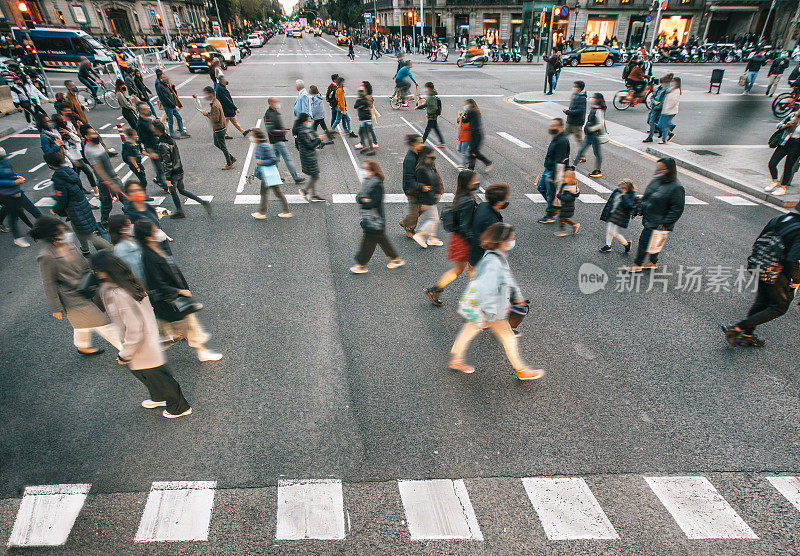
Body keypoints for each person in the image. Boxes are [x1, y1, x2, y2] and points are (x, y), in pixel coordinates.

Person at [91, 250, 192, 418]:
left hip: (140, 344)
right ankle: (160, 397)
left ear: (102, 271)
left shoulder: (118, 293)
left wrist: (126, 353)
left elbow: (134, 326)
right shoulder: (127, 282)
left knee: (157, 377)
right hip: (147, 339)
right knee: (149, 373)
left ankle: (180, 407)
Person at [449, 222, 544, 381]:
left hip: (486, 308)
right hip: (491, 309)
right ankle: (521, 370)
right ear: (502, 241)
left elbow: (508, 278)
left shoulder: (497, 256)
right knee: (508, 337)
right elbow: (487, 290)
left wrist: (517, 296)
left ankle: (456, 358)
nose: (513, 241)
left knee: (470, 328)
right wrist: (491, 314)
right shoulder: (493, 262)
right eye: (511, 238)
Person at [134, 218, 222, 362]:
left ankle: (147, 348)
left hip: (168, 299)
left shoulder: (154, 248)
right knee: (189, 325)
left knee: (172, 329)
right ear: (148, 236)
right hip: (169, 300)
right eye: (154, 230)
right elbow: (158, 283)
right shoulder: (149, 256)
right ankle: (202, 351)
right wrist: (180, 292)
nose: (158, 232)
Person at [32, 216, 121, 355]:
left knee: (84, 321)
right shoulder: (46, 256)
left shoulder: (69, 245)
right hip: (71, 296)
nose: (65, 233)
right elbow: (48, 283)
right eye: (61, 231)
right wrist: (56, 307)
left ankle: (82, 345)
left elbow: (84, 263)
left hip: (86, 288)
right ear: (52, 235)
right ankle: (128, 351)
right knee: (101, 322)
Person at [721, 208, 800, 347]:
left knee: (762, 301)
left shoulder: (778, 219)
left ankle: (747, 335)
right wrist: (796, 280)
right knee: (779, 308)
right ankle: (736, 329)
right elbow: (792, 259)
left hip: (758, 263)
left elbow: (759, 240)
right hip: (775, 271)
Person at [426, 170, 480, 306]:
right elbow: (465, 225)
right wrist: (475, 243)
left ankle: (435, 290)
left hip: (458, 239)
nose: (477, 182)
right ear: (468, 183)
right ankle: (473, 304)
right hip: (465, 241)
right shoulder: (467, 201)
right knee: (474, 272)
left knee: (459, 270)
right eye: (474, 180)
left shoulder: (460, 196)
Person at [45, 150, 111, 256]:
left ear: (50, 165)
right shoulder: (70, 171)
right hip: (81, 203)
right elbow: (79, 186)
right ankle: (85, 248)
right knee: (78, 228)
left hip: (74, 209)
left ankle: (110, 248)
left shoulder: (58, 179)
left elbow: (62, 198)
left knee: (88, 234)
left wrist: (55, 209)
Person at [626, 158, 685, 273]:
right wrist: (636, 210)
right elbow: (647, 198)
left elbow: (677, 209)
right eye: (657, 168)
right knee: (655, 242)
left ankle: (637, 264)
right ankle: (653, 262)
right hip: (650, 217)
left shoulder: (677, 188)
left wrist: (665, 224)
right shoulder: (656, 180)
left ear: (669, 170)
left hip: (660, 222)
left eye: (661, 169)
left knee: (644, 241)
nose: (658, 171)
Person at [350, 160, 405, 274]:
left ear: (372, 171)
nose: (363, 171)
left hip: (375, 219)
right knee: (381, 239)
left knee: (368, 242)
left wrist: (364, 201)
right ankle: (396, 259)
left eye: (365, 169)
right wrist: (363, 200)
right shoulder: (367, 181)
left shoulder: (377, 184)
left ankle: (361, 264)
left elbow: (374, 202)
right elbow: (359, 197)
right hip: (371, 218)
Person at [153, 121, 212, 218]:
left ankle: (180, 211)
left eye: (153, 128)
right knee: (182, 190)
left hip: (172, 174)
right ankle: (203, 202)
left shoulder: (162, 145)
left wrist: (167, 179)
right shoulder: (170, 139)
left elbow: (167, 163)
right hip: (179, 169)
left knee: (173, 192)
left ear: (157, 130)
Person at [83, 125, 121, 228]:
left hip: (112, 177)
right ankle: (104, 223)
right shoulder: (89, 150)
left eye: (95, 133)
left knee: (112, 202)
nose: (95, 135)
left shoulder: (97, 144)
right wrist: (109, 181)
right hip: (106, 181)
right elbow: (98, 169)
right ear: (86, 136)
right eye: (92, 134)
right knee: (107, 204)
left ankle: (105, 222)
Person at [250, 129, 291, 219]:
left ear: (256, 136)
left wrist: (261, 162)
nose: (251, 137)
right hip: (266, 173)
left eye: (252, 135)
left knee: (269, 193)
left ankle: (262, 213)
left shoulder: (264, 146)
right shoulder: (261, 144)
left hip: (268, 174)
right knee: (273, 192)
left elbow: (273, 159)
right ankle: (285, 211)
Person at [469, 182, 510, 267]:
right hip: (481, 260)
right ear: (499, 202)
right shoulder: (491, 222)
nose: (508, 200)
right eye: (506, 198)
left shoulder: (483, 206)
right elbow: (491, 245)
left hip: (475, 254)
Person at [537, 118, 570, 224]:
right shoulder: (556, 137)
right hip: (548, 169)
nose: (551, 128)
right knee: (541, 188)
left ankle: (550, 214)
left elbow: (560, 161)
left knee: (551, 194)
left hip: (553, 172)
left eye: (553, 126)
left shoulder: (562, 141)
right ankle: (555, 207)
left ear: (560, 127)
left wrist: (554, 176)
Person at [264, 96, 304, 183]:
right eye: (275, 102)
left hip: (277, 140)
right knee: (288, 159)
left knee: (276, 160)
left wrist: (282, 130)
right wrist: (282, 132)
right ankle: (295, 177)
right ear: (271, 103)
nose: (278, 104)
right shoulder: (269, 115)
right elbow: (270, 130)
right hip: (277, 140)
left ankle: (273, 177)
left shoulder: (273, 112)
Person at [411, 146, 445, 248]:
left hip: (431, 197)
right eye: (431, 156)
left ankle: (431, 238)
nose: (433, 157)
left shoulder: (429, 165)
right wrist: (424, 202)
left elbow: (433, 181)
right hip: (427, 199)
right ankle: (420, 234)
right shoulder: (421, 169)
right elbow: (423, 187)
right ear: (426, 156)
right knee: (434, 219)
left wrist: (438, 192)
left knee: (434, 218)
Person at [0, 147, 31, 247]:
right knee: (14, 213)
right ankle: (18, 237)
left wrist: (16, 176)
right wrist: (14, 182)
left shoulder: (4, 160)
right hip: (4, 192)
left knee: (14, 210)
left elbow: (10, 172)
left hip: (13, 190)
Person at [766, 107, 800, 197]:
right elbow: (779, 125)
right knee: (772, 163)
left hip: (797, 146)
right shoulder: (793, 115)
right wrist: (786, 125)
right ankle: (774, 181)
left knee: (788, 167)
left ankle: (783, 188)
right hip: (784, 143)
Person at [201, 86, 236, 170]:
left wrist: (206, 114)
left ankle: (229, 163)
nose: (205, 96)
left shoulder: (215, 105)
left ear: (210, 94)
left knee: (222, 146)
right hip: (219, 127)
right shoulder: (216, 102)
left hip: (219, 128)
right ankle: (230, 158)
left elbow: (215, 119)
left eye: (206, 94)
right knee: (217, 144)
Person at [572, 92, 606, 178]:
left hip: (594, 136)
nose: (591, 99)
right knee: (581, 150)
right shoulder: (594, 108)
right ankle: (573, 166)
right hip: (589, 135)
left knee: (597, 153)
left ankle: (598, 170)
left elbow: (601, 124)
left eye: (593, 97)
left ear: (598, 100)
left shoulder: (599, 110)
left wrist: (591, 129)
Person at [599, 179, 636, 253]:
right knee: (609, 230)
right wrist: (606, 211)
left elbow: (628, 206)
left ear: (628, 189)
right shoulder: (617, 191)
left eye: (623, 188)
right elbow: (610, 201)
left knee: (612, 232)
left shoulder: (631, 196)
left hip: (620, 216)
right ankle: (608, 246)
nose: (621, 189)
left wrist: (624, 196)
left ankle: (626, 243)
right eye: (620, 187)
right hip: (612, 213)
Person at [294, 113, 324, 202]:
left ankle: (314, 195)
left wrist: (318, 139)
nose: (309, 122)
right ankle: (304, 191)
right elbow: (310, 145)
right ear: (304, 121)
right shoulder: (302, 132)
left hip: (309, 156)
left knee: (313, 175)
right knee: (315, 176)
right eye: (308, 120)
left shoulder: (303, 129)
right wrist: (319, 139)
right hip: (308, 157)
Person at [400, 134, 424, 237]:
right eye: (420, 142)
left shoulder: (418, 154)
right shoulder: (410, 159)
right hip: (412, 189)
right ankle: (409, 229)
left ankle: (406, 222)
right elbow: (409, 178)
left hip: (417, 187)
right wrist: (421, 186)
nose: (422, 145)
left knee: (421, 208)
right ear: (413, 144)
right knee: (415, 211)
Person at [108, 214, 143, 279]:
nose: (132, 227)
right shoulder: (120, 249)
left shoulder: (131, 238)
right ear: (121, 230)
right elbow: (134, 269)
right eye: (128, 225)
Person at [156, 74, 190, 139]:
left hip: (171, 105)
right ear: (160, 79)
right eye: (164, 77)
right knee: (171, 120)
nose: (166, 78)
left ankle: (181, 131)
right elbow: (166, 98)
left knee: (178, 117)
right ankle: (172, 134)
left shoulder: (164, 85)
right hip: (169, 106)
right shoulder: (161, 86)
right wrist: (174, 105)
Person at [462, 99, 492, 171]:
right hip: (476, 134)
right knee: (472, 151)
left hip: (476, 134)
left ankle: (488, 162)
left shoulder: (472, 111)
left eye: (467, 104)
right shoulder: (475, 111)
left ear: (471, 104)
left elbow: (465, 120)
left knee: (474, 152)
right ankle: (471, 168)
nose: (466, 105)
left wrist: (462, 115)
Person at [643, 73, 673, 143]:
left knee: (653, 122)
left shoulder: (668, 89)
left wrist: (656, 105)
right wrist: (654, 102)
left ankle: (650, 137)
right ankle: (668, 132)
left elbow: (664, 101)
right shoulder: (658, 87)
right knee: (650, 121)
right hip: (654, 107)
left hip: (659, 108)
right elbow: (652, 96)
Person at [416, 82, 445, 146]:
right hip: (433, 115)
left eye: (426, 87)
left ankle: (422, 142)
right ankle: (442, 142)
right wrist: (418, 107)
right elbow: (427, 104)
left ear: (429, 88)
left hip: (432, 116)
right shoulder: (432, 94)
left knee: (427, 129)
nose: (425, 89)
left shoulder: (431, 96)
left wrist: (429, 113)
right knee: (435, 128)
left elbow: (433, 107)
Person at [554, 166, 580, 236]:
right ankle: (574, 225)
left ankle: (563, 231)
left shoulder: (570, 189)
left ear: (570, 179)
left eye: (565, 177)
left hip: (567, 206)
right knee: (562, 218)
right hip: (565, 206)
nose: (563, 179)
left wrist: (559, 196)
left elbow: (567, 198)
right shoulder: (566, 185)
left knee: (562, 217)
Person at [563, 81, 587, 151]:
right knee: (563, 137)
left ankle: (582, 156)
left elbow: (580, 111)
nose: (573, 88)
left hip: (576, 123)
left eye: (575, 86)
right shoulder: (576, 95)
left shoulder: (582, 98)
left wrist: (568, 112)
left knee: (579, 140)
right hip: (570, 121)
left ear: (579, 88)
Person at [658, 77, 680, 144]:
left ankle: (664, 140)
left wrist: (668, 108)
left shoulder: (677, 90)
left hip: (670, 111)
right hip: (665, 109)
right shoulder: (670, 89)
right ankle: (670, 133)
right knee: (660, 124)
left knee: (664, 125)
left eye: (674, 82)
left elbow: (674, 101)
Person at [353, 88, 375, 155]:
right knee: (361, 133)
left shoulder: (361, 101)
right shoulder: (365, 101)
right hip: (366, 119)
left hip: (365, 120)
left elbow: (355, 106)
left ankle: (371, 149)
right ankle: (366, 146)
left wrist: (360, 103)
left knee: (366, 134)